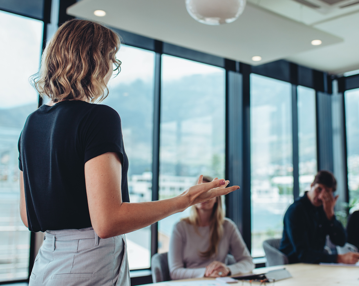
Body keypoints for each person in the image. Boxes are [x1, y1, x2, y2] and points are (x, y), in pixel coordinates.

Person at [19, 20, 239, 286]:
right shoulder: (99, 118)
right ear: (94, 61)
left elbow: (27, 216)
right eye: (111, 58)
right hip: (90, 262)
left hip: (46, 264)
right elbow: (107, 222)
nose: (112, 68)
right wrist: (185, 200)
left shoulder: (31, 123)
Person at [169, 175, 254, 280]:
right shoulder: (180, 227)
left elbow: (248, 262)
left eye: (208, 191)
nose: (203, 196)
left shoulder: (228, 226)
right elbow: (175, 272)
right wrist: (206, 272)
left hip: (219, 282)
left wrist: (227, 269)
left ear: (217, 197)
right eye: (199, 192)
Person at [279, 170, 359, 264]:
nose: (321, 196)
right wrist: (338, 258)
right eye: (319, 189)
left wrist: (330, 215)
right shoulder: (296, 211)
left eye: (327, 192)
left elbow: (341, 241)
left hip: (315, 265)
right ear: (311, 185)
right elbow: (303, 254)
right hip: (294, 265)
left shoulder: (323, 209)